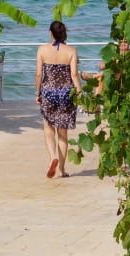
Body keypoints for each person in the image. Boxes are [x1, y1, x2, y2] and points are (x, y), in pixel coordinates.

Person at [35, 20, 83, 179]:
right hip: (66, 94)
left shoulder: (42, 49)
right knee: (63, 134)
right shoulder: (71, 51)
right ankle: (62, 170)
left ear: (50, 33)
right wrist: (80, 92)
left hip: (48, 92)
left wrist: (38, 92)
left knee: (49, 129)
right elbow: (74, 75)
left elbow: (38, 75)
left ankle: (52, 157)